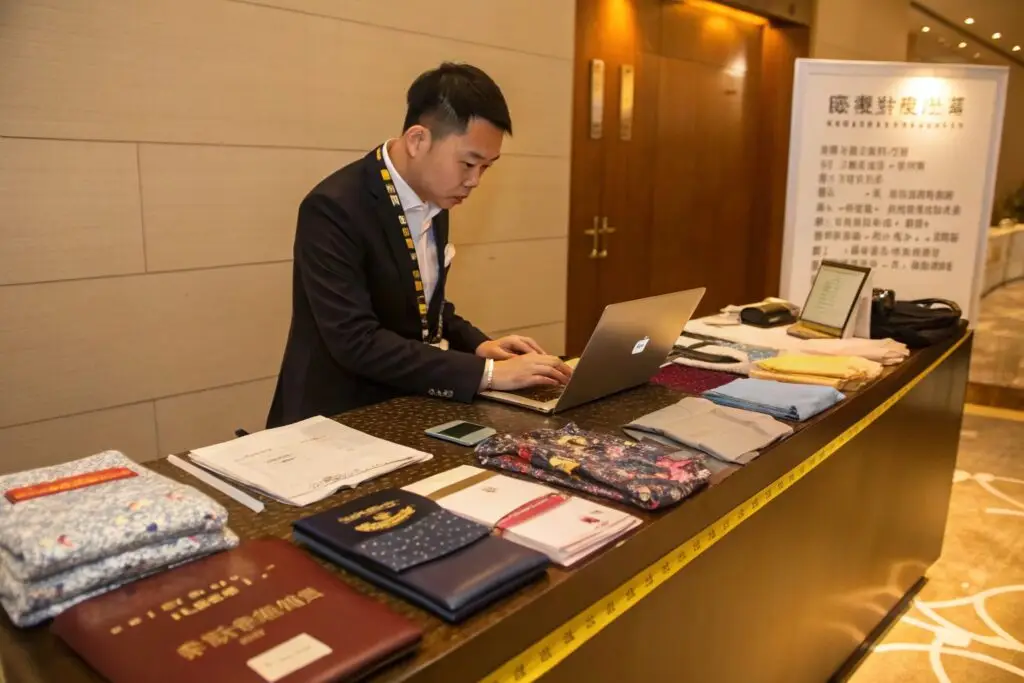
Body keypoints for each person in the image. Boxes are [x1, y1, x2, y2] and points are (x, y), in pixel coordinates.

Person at [266, 62, 573, 428]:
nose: (475, 181)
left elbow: (421, 303)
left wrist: (478, 344)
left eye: (487, 167)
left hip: (403, 402)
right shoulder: (333, 208)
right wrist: (488, 373)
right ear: (417, 140)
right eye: (468, 163)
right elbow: (356, 341)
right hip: (335, 417)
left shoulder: (436, 192)